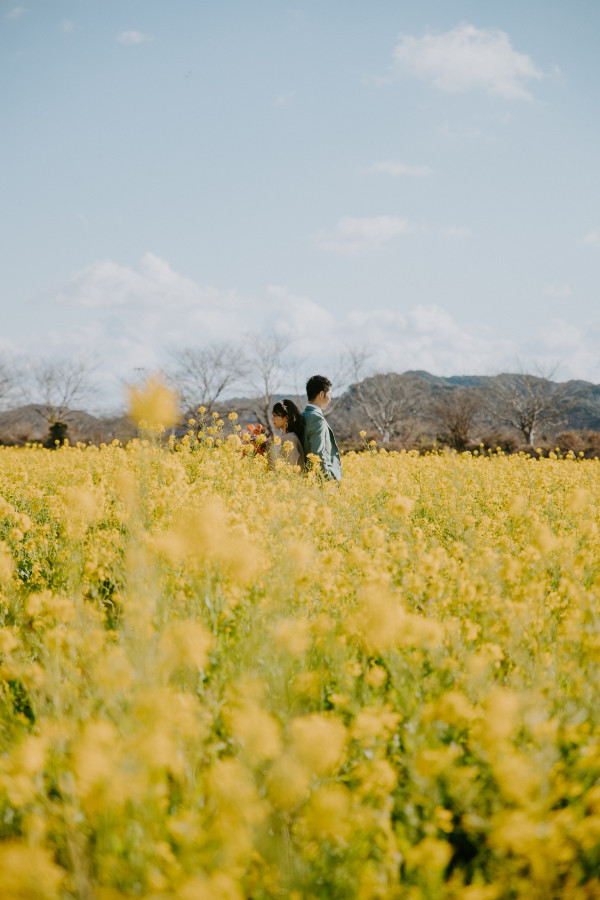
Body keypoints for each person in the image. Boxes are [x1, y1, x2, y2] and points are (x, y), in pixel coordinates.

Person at [301, 375, 342, 482]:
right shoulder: (316, 419)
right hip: (320, 481)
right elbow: (318, 454)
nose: (330, 399)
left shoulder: (302, 416)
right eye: (330, 394)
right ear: (321, 394)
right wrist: (328, 480)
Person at [271, 399, 305, 470]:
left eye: (275, 416)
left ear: (286, 418)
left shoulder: (290, 438)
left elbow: (291, 468)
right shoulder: (283, 436)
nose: (272, 419)